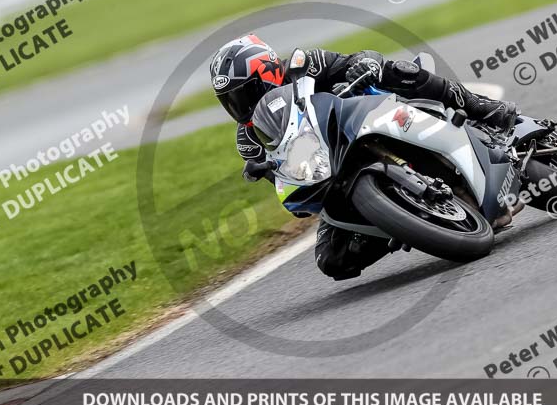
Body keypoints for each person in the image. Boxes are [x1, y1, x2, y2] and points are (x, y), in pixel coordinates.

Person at [210, 34, 517, 281]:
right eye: (230, 100)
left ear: (267, 71)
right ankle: (399, 221)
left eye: (245, 93)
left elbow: (357, 59)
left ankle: (481, 107)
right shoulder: (249, 139)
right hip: (331, 172)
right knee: (332, 259)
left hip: (373, 117)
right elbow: (287, 181)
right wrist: (270, 173)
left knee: (399, 71)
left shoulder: (305, 65)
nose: (240, 106)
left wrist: (365, 65)